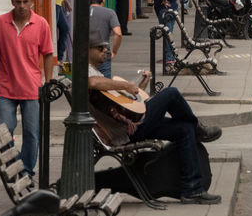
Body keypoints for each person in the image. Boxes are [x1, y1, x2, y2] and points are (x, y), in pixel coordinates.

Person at [86, 40, 223, 204]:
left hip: (131, 123)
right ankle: (198, 129)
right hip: (128, 131)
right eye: (100, 48)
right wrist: (125, 85)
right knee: (171, 94)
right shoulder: (85, 72)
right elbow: (93, 83)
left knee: (184, 129)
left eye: (106, 48)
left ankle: (192, 189)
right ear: (86, 50)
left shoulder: (97, 73)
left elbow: (124, 106)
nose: (105, 51)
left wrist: (138, 88)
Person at [0, 0, 55, 178]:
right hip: (5, 88)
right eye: (18, 2)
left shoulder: (41, 24)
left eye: (25, 2)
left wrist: (47, 82)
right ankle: (13, 167)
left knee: (32, 134)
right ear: (12, 2)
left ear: (32, 2)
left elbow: (48, 54)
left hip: (32, 88)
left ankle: (27, 172)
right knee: (4, 132)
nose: (22, 6)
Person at [89, 0, 121, 78]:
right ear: (103, 0)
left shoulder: (81, 12)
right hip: (102, 52)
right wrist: (114, 52)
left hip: (85, 53)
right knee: (104, 85)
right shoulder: (110, 13)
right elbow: (118, 34)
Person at [154, 0, 179, 73]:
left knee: (167, 36)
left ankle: (169, 59)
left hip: (164, 11)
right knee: (170, 33)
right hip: (173, 10)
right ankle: (170, 57)